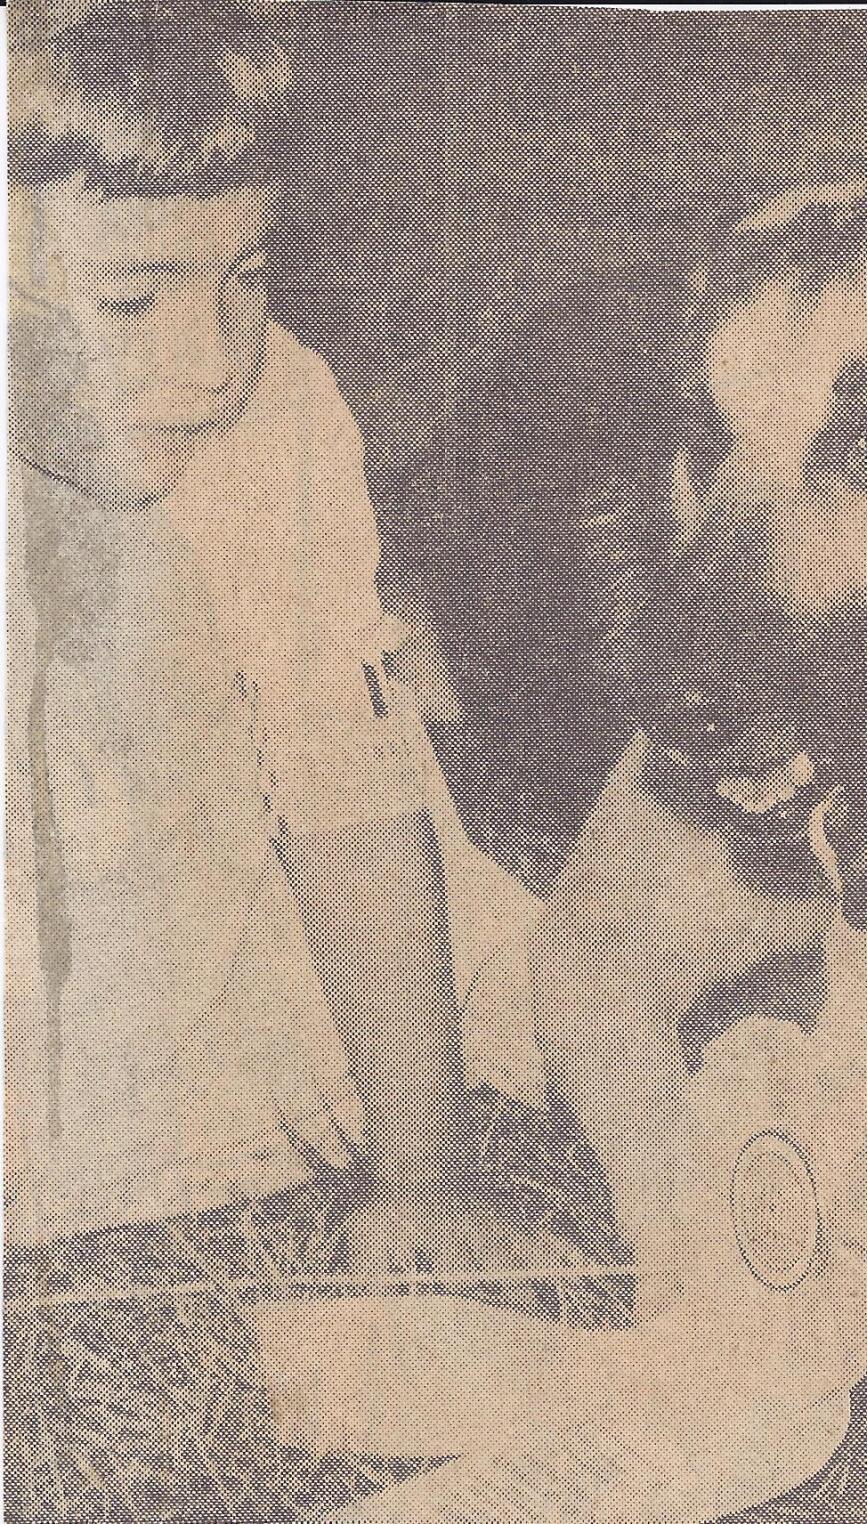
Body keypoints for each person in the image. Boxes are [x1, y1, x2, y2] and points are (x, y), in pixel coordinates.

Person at [5, 0, 548, 1270]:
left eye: (246, 276)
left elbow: (343, 792)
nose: (207, 361)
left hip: (190, 916)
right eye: (129, 302)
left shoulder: (273, 415)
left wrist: (422, 1178)